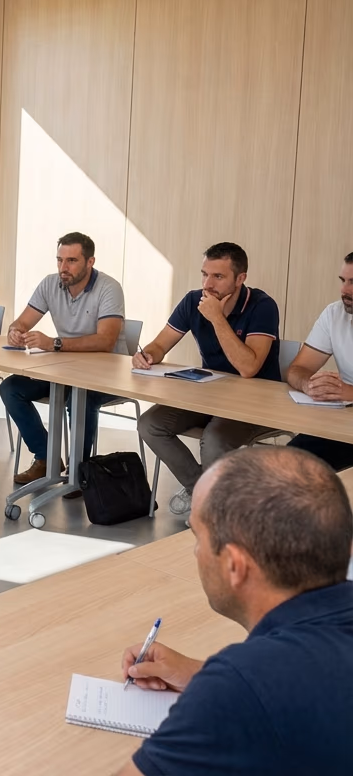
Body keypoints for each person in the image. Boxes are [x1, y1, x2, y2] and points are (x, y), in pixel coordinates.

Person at [115, 446, 353, 775]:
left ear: (234, 565)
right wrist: (200, 675)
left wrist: (222, 688)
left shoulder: (241, 686)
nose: (195, 552)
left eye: (197, 536)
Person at [135, 243, 280, 519]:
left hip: (255, 403)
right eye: (204, 274)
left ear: (241, 279)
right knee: (150, 424)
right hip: (210, 394)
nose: (207, 284)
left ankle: (212, 515)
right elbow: (160, 345)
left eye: (218, 277)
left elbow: (248, 368)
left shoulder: (263, 306)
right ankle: (205, 494)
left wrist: (216, 319)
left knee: (213, 439)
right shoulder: (193, 300)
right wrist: (146, 356)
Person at [1, 232, 126, 484]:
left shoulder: (109, 288)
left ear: (90, 262)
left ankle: (79, 471)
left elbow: (106, 341)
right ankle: (46, 457)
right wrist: (15, 331)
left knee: (80, 398)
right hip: (64, 368)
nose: (63, 268)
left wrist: (54, 343)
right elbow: (22, 321)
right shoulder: (50, 284)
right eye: (59, 260)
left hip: (106, 374)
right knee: (11, 387)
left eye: (71, 261)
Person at [285, 251, 353, 470]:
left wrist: (350, 392)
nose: (344, 290)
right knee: (283, 464)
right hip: (342, 425)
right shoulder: (334, 314)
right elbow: (298, 368)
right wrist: (309, 384)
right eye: (343, 281)